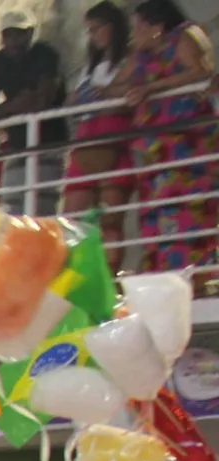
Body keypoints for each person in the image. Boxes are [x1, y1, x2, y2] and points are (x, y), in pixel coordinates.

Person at [128, 0, 217, 275]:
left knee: (190, 210)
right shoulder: (142, 56)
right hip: (157, 152)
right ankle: (165, 273)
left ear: (156, 27)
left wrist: (153, 87)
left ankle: (198, 274)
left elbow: (202, 72)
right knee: (158, 216)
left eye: (138, 28)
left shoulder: (184, 36)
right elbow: (119, 85)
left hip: (187, 146)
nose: (132, 34)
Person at [0, 11, 68, 212]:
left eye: (18, 34)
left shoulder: (45, 54)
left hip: (50, 144)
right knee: (14, 212)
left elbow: (43, 100)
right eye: (7, 35)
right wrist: (14, 106)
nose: (13, 41)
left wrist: (7, 109)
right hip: (17, 145)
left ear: (30, 33)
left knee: (44, 211)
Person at [65, 5, 135, 242]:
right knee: (70, 218)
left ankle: (111, 275)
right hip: (86, 137)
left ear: (112, 26)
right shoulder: (90, 65)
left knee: (111, 220)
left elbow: (126, 97)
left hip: (114, 134)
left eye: (96, 29)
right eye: (89, 30)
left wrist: (104, 94)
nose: (92, 35)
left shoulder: (130, 58)